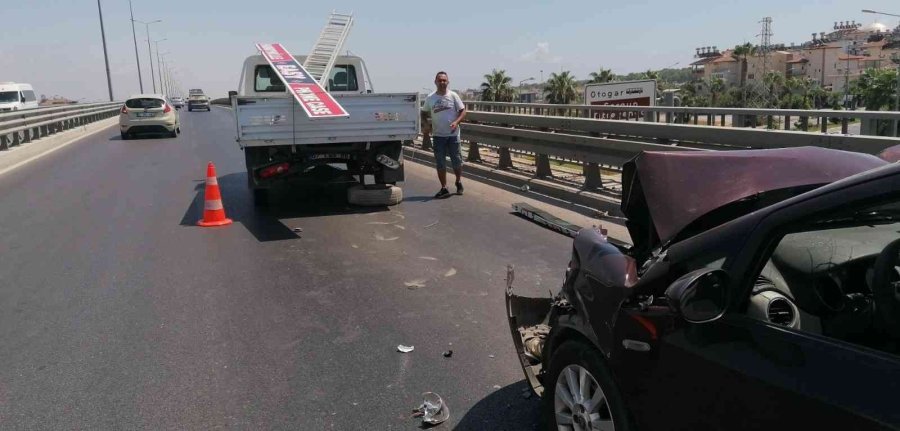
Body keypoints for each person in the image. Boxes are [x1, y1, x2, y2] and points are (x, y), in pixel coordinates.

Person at [421, 71, 467, 198]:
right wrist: (425, 124)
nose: (442, 83)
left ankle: (458, 181)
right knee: (440, 163)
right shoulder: (430, 98)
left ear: (448, 82)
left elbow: (463, 111)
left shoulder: (453, 96)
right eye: (440, 80)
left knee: (456, 161)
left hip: (453, 135)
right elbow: (423, 113)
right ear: (435, 82)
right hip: (438, 135)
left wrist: (456, 122)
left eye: (444, 80)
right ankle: (444, 187)